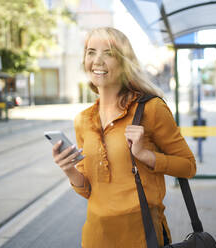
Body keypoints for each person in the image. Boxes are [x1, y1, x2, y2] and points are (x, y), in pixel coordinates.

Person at [52, 27, 196, 248]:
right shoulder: (83, 120)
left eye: (108, 53)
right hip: (96, 238)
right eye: (91, 52)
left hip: (142, 236)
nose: (97, 60)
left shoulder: (151, 109)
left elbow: (188, 166)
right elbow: (89, 190)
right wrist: (69, 169)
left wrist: (145, 155)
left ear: (124, 62)